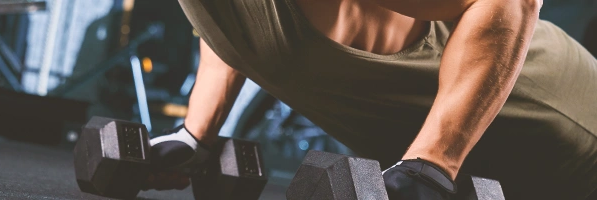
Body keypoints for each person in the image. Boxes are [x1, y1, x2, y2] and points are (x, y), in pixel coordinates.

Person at [145, 0, 597, 199]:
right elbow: (233, 33)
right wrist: (194, 136)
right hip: (492, 177)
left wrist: (432, 164)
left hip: (564, 124)